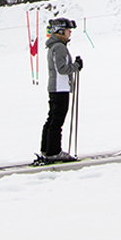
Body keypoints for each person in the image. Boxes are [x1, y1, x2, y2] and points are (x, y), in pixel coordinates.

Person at [36, 18, 83, 163]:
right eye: (68, 30)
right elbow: (62, 69)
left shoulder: (54, 46)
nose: (70, 33)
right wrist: (76, 66)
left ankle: (47, 149)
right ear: (60, 31)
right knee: (57, 120)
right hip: (59, 88)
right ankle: (54, 151)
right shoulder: (59, 47)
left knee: (52, 118)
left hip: (57, 87)